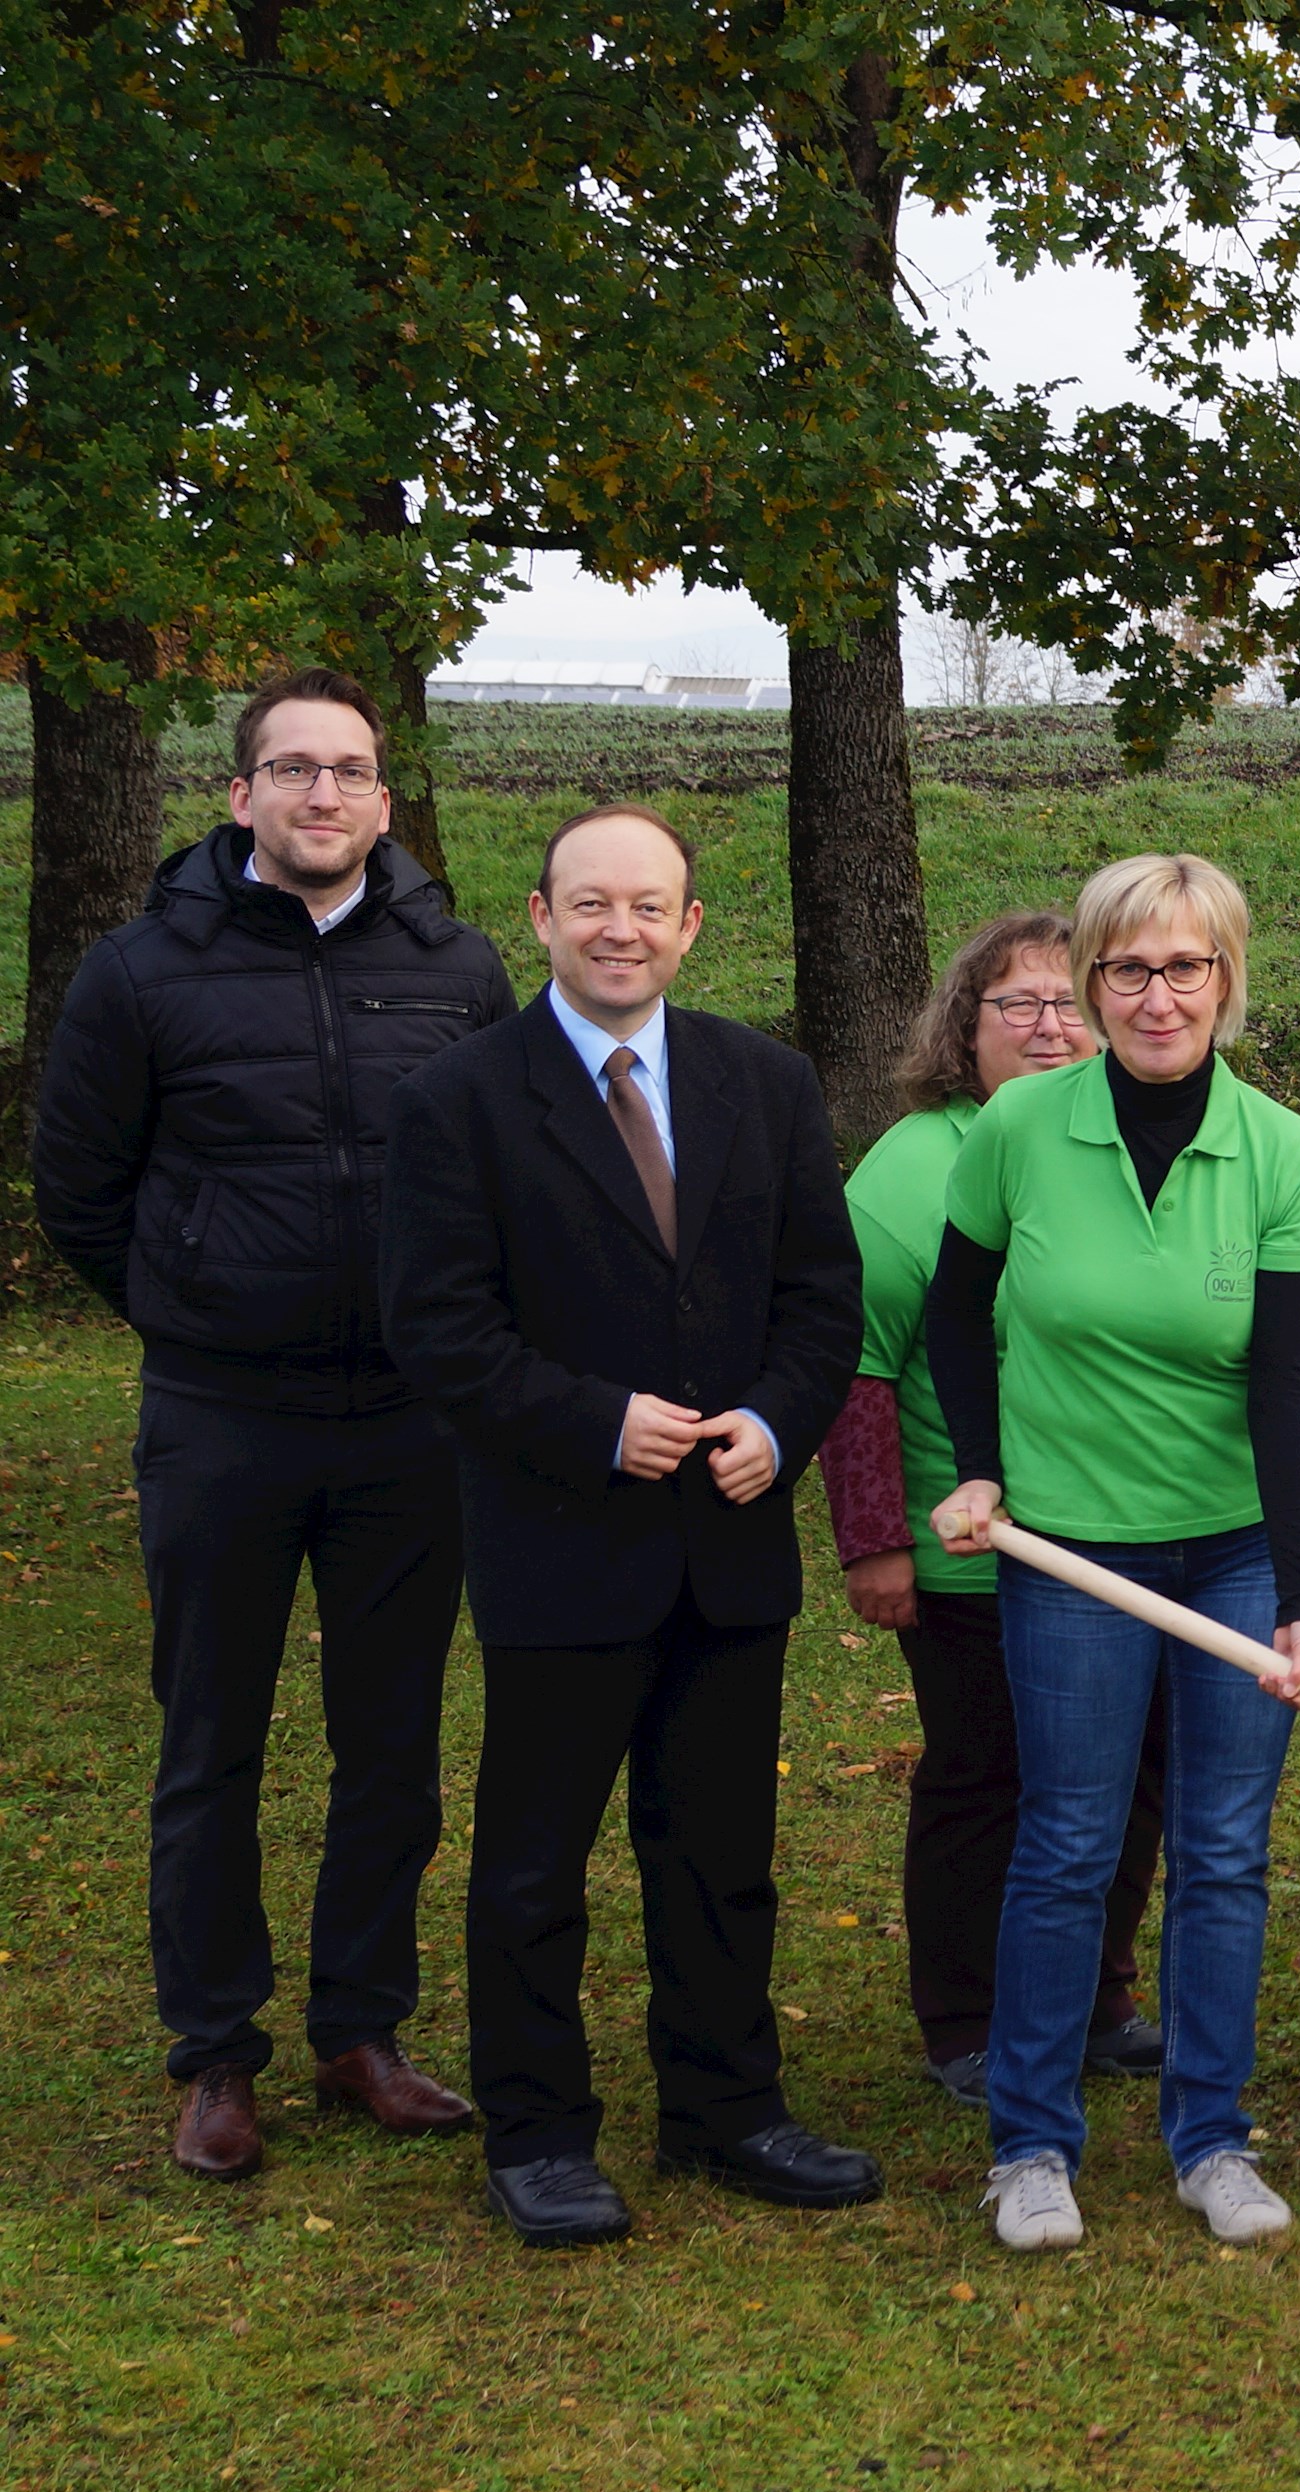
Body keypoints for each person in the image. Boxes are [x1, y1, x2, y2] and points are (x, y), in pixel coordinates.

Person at [30, 667, 517, 2180]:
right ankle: (215, 2053)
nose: (324, 794)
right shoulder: (140, 969)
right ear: (238, 795)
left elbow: (493, 1183)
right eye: (294, 769)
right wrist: (196, 1302)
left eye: (352, 770)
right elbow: (80, 1188)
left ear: (385, 797)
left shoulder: (458, 968)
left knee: (391, 1746)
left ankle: (361, 2028)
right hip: (222, 1418)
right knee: (210, 1740)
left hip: (409, 1430)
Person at [377, 803, 872, 2248]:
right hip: (558, 1542)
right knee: (535, 1863)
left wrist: (777, 1424)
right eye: (591, 903)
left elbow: (820, 1296)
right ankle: (536, 2132)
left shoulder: (764, 1082)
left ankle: (728, 2109)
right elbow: (439, 1325)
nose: (620, 929)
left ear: (691, 926)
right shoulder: (460, 1100)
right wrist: (594, 1419)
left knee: (720, 1848)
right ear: (539, 916)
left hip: (726, 1546)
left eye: (649, 906)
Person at [926, 854, 1300, 2256]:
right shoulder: (1020, 1129)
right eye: (1127, 967)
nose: (1157, 995)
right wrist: (980, 1467)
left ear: (1228, 978)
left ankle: (1210, 2135)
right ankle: (1032, 2142)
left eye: (1187, 966)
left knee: (1224, 1850)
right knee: (1067, 1843)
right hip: (1068, 1547)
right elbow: (954, 1309)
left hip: (1228, 1552)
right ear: (1094, 981)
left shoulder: (1284, 1150)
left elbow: (1287, 1388)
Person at [826, 915, 1168, 2106]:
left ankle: (1098, 1997)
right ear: (961, 1030)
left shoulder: (1126, 1143)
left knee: (1130, 1776)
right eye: (1014, 1005)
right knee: (992, 1780)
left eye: (1069, 1000)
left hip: (1124, 1539)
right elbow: (855, 1366)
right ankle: (965, 2017)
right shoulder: (912, 1169)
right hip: (973, 1553)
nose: (1049, 1026)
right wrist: (877, 1539)